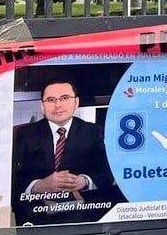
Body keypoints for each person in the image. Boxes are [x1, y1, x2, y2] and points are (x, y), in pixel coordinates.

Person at [11, 80, 121, 224]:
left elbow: (107, 172)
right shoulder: (24, 134)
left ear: (76, 102)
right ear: (42, 106)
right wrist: (39, 186)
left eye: (64, 98)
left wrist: (84, 181)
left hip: (81, 215)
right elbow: (12, 177)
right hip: (36, 216)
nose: (58, 105)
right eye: (51, 100)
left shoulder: (93, 131)